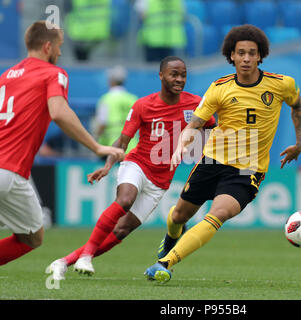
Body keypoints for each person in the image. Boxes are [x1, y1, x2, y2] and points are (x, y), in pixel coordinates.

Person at [144, 24, 301, 283]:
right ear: (231, 56)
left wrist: (299, 143)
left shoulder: (281, 85)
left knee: (218, 213)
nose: (246, 59)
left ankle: (165, 263)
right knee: (178, 216)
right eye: (240, 53)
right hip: (212, 161)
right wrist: (181, 145)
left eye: (252, 53)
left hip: (247, 169)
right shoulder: (219, 88)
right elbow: (195, 123)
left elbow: (297, 107)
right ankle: (169, 240)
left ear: (260, 56)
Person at [47, 56, 216, 280]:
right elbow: (122, 142)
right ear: (161, 76)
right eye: (174, 74)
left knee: (121, 231)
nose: (179, 79)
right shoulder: (143, 105)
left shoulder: (194, 104)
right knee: (125, 199)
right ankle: (86, 255)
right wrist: (108, 165)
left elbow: (213, 128)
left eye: (183, 75)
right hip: (137, 164)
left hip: (160, 182)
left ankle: (63, 262)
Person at [0, 21, 124, 266]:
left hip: (11, 170)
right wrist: (97, 147)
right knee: (31, 237)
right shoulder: (53, 73)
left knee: (32, 234)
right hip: (9, 170)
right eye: (58, 47)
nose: (59, 52)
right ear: (47, 46)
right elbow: (58, 111)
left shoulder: (6, 77)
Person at [94, 65, 139, 153]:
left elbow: (102, 122)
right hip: (132, 145)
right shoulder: (133, 98)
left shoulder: (106, 99)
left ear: (111, 81)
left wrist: (95, 139)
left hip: (111, 146)